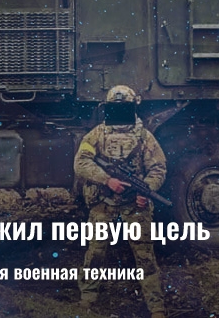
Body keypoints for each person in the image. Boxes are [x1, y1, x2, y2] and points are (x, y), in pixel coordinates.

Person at [74, 85, 167, 318]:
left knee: (145, 257)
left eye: (123, 108)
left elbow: (158, 168)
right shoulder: (97, 134)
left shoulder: (144, 137)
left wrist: (147, 190)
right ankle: (87, 299)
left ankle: (156, 307)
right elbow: (81, 162)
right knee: (95, 253)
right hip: (103, 202)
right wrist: (107, 180)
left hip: (135, 205)